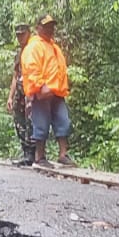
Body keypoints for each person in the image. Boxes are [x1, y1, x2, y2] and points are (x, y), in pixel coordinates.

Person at [20, 14, 72, 167]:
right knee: (41, 124)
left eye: (51, 26)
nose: (50, 29)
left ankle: (63, 154)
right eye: (46, 26)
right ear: (38, 28)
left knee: (63, 121)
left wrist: (60, 87)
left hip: (56, 91)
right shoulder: (34, 46)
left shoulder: (54, 47)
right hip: (42, 91)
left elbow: (60, 69)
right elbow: (31, 68)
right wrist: (39, 87)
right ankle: (40, 156)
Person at [6, 24, 35, 166]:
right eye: (18, 35)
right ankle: (26, 152)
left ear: (29, 33)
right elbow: (15, 75)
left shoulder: (34, 49)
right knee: (18, 120)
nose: (20, 37)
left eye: (22, 34)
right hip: (20, 90)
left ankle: (34, 153)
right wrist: (10, 97)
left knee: (31, 121)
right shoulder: (19, 53)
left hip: (31, 90)